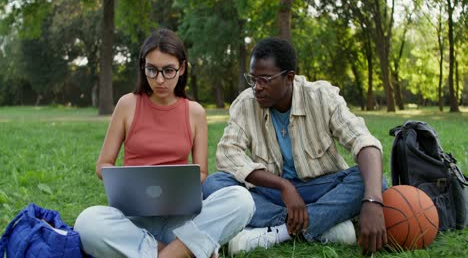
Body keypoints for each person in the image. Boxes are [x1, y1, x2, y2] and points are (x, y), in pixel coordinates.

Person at [74, 28, 255, 258]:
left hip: (181, 221)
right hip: (134, 221)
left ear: (182, 68)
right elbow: (103, 165)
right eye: (152, 70)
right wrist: (127, 183)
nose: (159, 80)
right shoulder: (127, 105)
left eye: (168, 70)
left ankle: (164, 251)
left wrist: (175, 185)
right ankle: (181, 251)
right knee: (87, 223)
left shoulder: (195, 112)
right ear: (143, 67)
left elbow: (201, 174)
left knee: (242, 200)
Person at [202, 37, 388, 255]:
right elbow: (228, 153)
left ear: (289, 77)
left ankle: (276, 231)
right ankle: (322, 226)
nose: (256, 88)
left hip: (321, 189)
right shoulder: (245, 103)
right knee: (214, 184)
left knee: (372, 180)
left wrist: (373, 201)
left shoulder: (321, 96)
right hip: (272, 193)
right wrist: (283, 186)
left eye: (264, 80)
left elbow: (364, 142)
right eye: (252, 79)